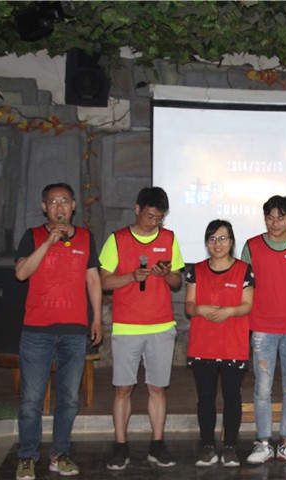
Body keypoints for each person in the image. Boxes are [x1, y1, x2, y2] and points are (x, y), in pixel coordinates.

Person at [14, 183, 103, 480]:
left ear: (74, 205)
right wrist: (48, 243)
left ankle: (59, 454)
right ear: (44, 208)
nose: (59, 207)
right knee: (31, 399)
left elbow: (93, 280)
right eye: (53, 202)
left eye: (65, 201)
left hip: (74, 330)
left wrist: (97, 319)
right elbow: (21, 273)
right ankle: (27, 456)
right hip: (37, 330)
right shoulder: (33, 236)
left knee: (69, 398)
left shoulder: (86, 238)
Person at [99, 186, 184, 470]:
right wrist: (131, 277)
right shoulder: (117, 239)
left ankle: (157, 445)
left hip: (161, 324)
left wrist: (167, 273)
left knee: (157, 388)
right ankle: (120, 446)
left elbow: (177, 282)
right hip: (127, 325)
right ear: (137, 210)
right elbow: (104, 281)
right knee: (123, 388)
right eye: (150, 216)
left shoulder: (169, 238)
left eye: (159, 218)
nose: (154, 222)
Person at [241, 195, 286, 465]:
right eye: (270, 217)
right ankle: (263, 443)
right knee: (262, 388)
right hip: (262, 328)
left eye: (281, 217)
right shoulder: (252, 246)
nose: (275, 223)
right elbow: (245, 283)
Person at [184, 220, 254, 468]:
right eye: (212, 239)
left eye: (223, 238)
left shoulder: (244, 270)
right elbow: (189, 305)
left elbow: (248, 305)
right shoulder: (196, 270)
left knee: (232, 397)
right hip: (203, 344)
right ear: (206, 242)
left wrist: (229, 311)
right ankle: (207, 446)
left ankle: (230, 448)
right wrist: (200, 309)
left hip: (233, 344)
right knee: (206, 398)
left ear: (231, 242)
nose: (217, 244)